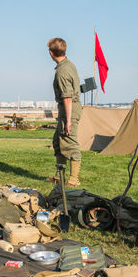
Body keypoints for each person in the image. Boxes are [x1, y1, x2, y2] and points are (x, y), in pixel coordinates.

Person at [46, 38, 82, 187]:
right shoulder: (67, 65)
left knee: (70, 143)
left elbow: (67, 97)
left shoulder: (63, 70)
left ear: (51, 53)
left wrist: (68, 121)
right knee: (58, 142)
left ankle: (74, 180)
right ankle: (59, 176)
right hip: (67, 109)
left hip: (69, 109)